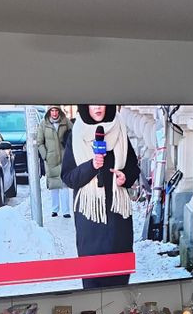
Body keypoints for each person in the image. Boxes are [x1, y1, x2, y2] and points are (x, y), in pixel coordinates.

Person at [61, 105, 139, 289]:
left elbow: (133, 167)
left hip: (118, 218)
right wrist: (92, 166)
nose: (97, 107)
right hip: (90, 220)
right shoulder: (77, 133)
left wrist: (125, 177)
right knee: (93, 284)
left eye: (101, 102)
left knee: (120, 281)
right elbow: (68, 177)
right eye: (92, 103)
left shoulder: (119, 128)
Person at [37, 106, 72, 218]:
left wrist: (70, 153)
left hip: (64, 157)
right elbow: (39, 142)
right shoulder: (43, 124)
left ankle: (66, 211)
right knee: (54, 184)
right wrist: (45, 155)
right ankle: (54, 209)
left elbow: (73, 135)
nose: (54, 113)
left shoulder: (65, 121)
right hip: (51, 158)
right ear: (49, 112)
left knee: (64, 184)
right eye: (52, 111)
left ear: (59, 111)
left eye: (56, 110)